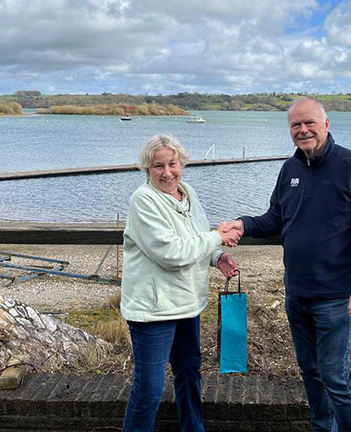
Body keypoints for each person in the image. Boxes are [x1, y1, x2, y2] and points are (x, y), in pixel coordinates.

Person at [224, 97, 351, 432]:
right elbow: (276, 219)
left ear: (326, 124)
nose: (303, 130)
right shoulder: (290, 169)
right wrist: (244, 224)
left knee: (336, 378)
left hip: (335, 297)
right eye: (295, 125)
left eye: (309, 122)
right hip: (297, 294)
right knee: (310, 372)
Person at [121, 133, 241, 432]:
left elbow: (195, 237)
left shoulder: (187, 192)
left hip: (188, 304)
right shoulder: (144, 200)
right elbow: (171, 253)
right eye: (157, 166)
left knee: (189, 374)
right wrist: (217, 236)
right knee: (148, 388)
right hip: (154, 310)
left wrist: (217, 256)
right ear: (147, 169)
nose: (167, 172)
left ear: (181, 163)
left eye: (172, 163)